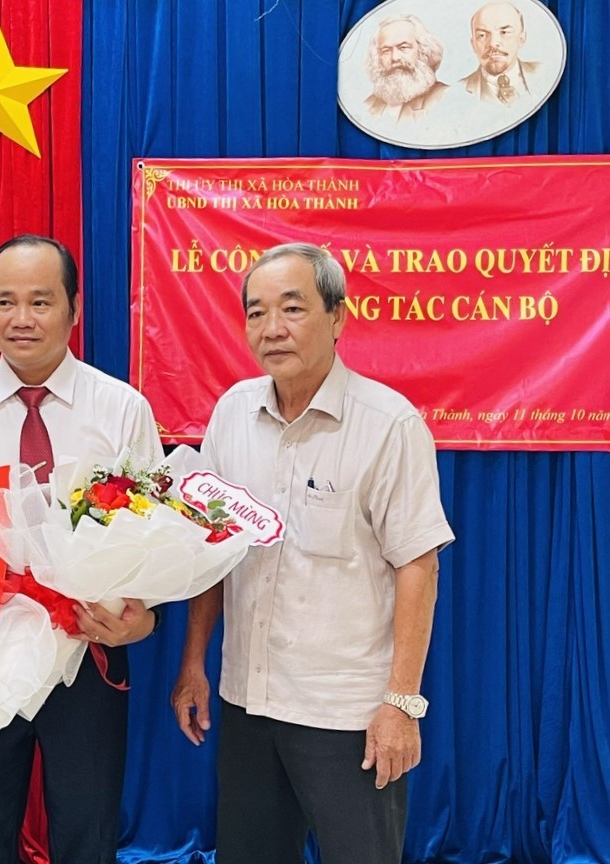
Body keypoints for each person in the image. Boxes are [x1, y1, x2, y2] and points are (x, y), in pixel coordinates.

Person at [171, 243, 454, 864]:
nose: (272, 328)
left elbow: (419, 565)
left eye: (292, 308)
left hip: (347, 713)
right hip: (247, 701)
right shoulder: (232, 414)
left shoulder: (388, 424)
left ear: (338, 317)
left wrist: (401, 704)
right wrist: (194, 662)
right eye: (256, 312)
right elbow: (211, 549)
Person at [0, 234, 163, 864]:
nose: (21, 318)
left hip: (87, 647)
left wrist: (141, 615)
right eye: (5, 301)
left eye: (41, 301)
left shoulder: (122, 408)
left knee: (87, 832)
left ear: (74, 309)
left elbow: (153, 535)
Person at [363, 15, 449, 120]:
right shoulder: (369, 105)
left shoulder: (444, 97)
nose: (395, 57)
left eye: (403, 47)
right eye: (386, 51)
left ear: (423, 51)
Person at [460, 2, 540, 105]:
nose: (493, 43)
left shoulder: (545, 72)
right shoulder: (458, 90)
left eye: (504, 32)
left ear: (522, 38)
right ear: (473, 44)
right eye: (482, 35)